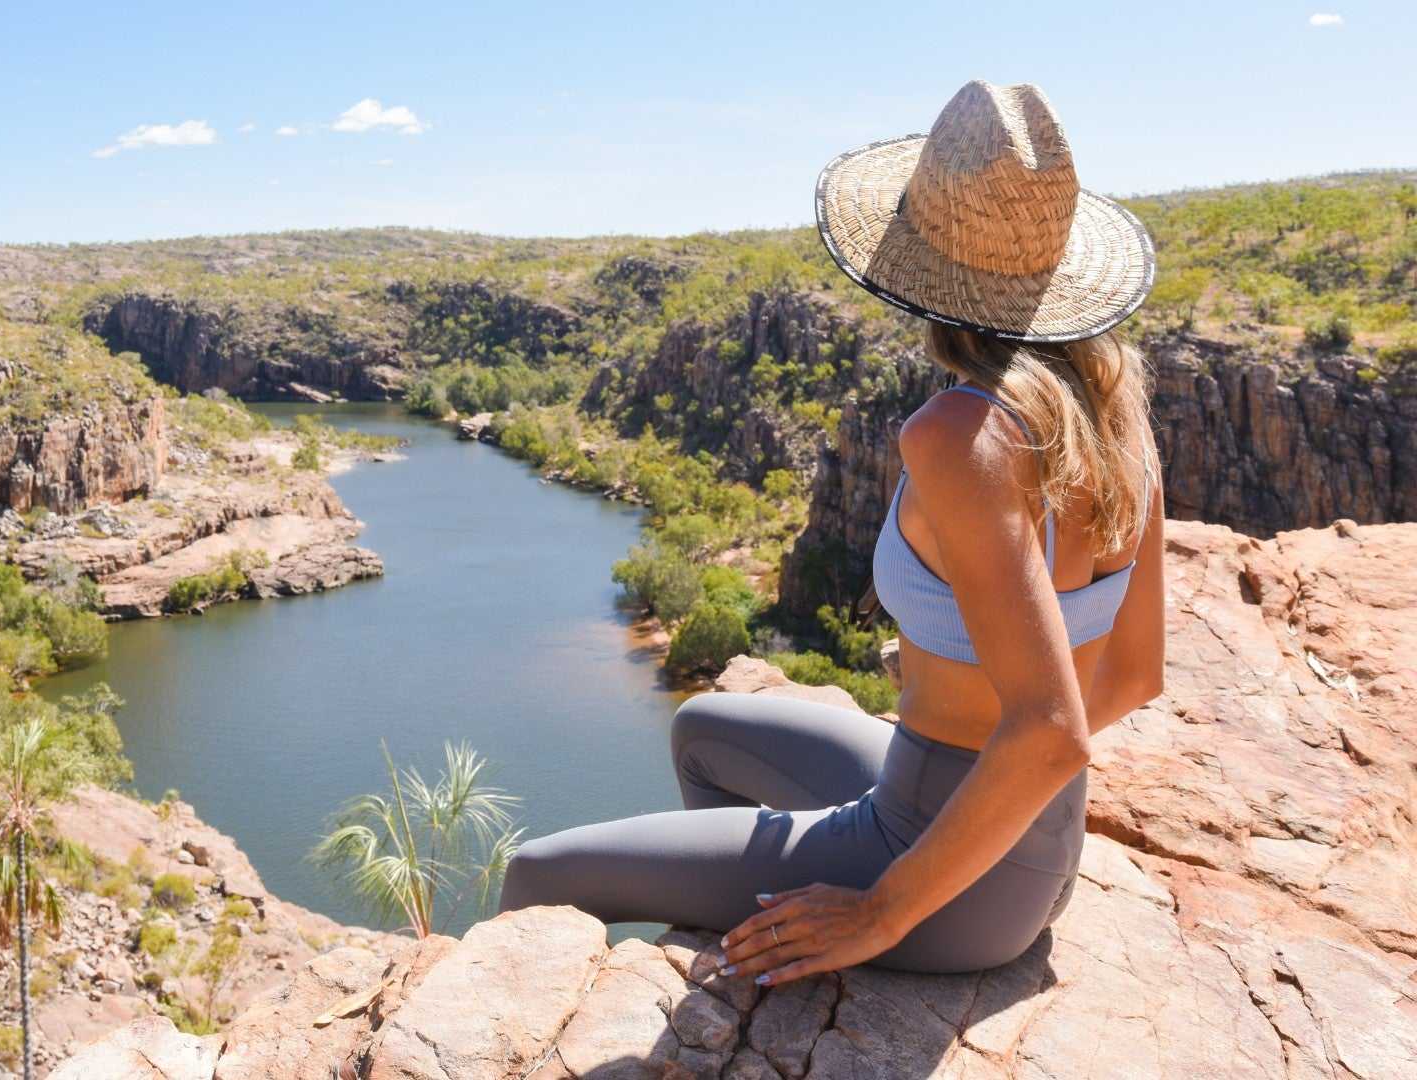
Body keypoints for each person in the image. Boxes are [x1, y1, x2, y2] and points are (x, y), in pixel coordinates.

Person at [498, 80, 1166, 982]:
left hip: (942, 877)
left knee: (538, 872)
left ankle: (753, 944)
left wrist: (882, 910)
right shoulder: (1117, 420)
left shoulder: (959, 437)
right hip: (1039, 847)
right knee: (700, 727)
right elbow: (1133, 675)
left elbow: (1050, 729)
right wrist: (991, 774)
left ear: (924, 263)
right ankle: (745, 939)